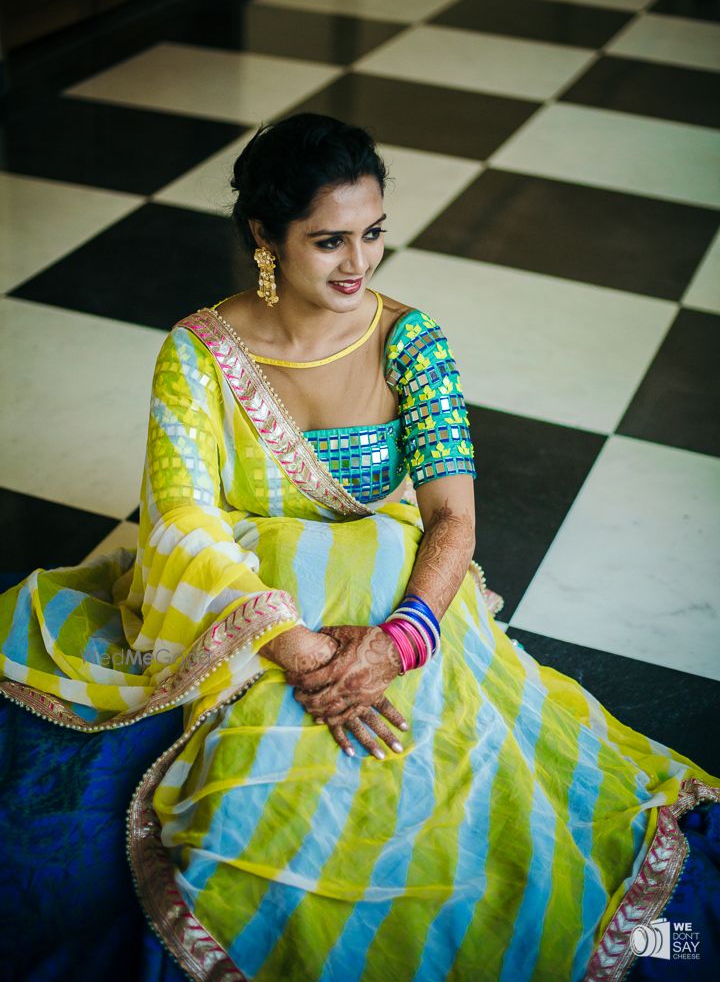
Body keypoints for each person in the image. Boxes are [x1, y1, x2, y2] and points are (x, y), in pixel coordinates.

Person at [0, 112, 718, 982]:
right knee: (264, 783)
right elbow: (183, 524)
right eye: (328, 240)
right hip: (255, 609)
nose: (359, 263)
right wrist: (293, 645)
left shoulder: (410, 342)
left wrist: (401, 639)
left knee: (426, 727)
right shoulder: (198, 353)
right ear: (265, 236)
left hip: (388, 603)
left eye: (372, 233)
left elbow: (452, 517)